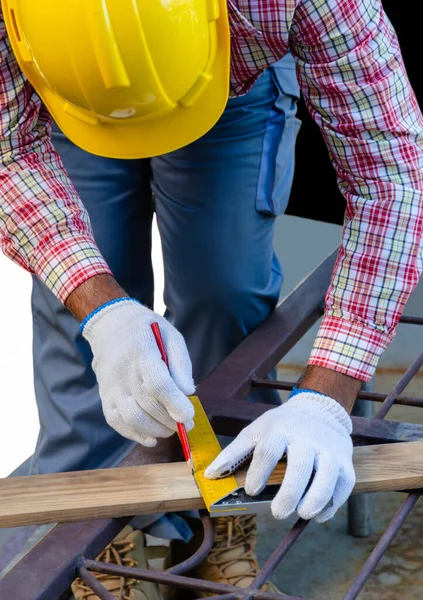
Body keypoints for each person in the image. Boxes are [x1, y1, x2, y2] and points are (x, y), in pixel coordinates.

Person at [1, 0, 422, 597]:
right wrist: (101, 310)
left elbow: (392, 181)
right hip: (65, 100)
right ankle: (91, 536)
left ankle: (220, 520)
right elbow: (8, 150)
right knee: (78, 319)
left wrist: (328, 397)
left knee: (226, 292)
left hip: (232, 95)